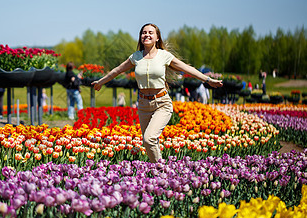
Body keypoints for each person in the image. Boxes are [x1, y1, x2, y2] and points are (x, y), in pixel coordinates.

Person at [92, 23, 223, 163]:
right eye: (144, 32)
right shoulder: (135, 57)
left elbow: (187, 68)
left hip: (162, 103)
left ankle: (161, 170)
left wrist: (208, 79)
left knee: (149, 138)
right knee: (149, 142)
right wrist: (101, 81)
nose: (146, 35)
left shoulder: (164, 56)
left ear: (157, 38)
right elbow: (117, 70)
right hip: (143, 105)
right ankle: (158, 177)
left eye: (150, 32)